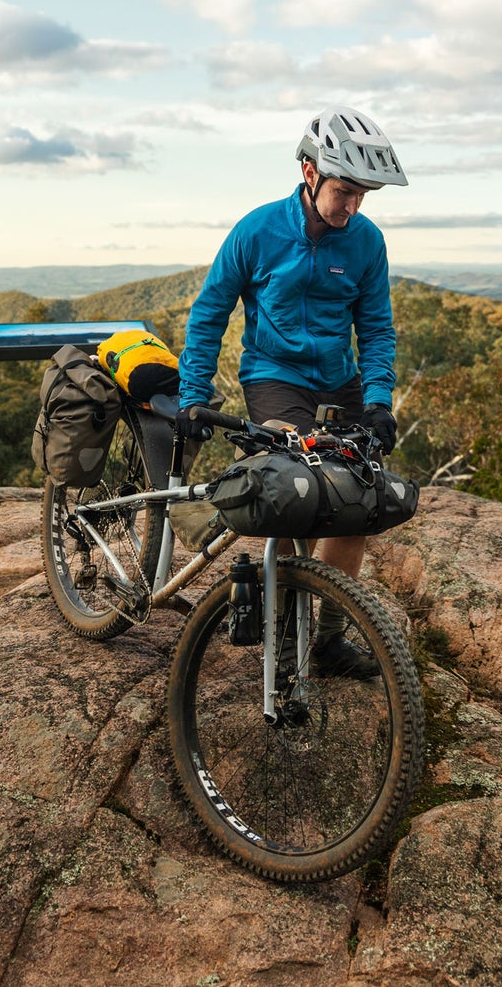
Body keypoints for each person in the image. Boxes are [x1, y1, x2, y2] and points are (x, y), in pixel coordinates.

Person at [176, 107, 407, 678]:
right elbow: (210, 313)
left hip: (340, 381)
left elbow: (376, 327)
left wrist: (378, 401)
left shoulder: (365, 242)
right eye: (343, 191)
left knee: (357, 502)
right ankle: (282, 631)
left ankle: (325, 639)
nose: (352, 207)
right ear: (309, 173)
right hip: (275, 379)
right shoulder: (257, 231)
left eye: (362, 195)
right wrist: (192, 396)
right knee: (294, 490)